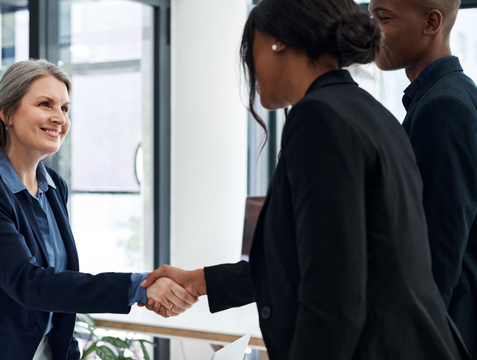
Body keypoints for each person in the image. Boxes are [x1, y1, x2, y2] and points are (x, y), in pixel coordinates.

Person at [141, 0, 471, 359]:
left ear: (277, 43)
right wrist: (199, 281)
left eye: (249, 50)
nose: (250, 69)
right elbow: (322, 257)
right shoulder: (370, 113)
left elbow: (331, 294)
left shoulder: (319, 119)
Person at [0, 60, 197, 360]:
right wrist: (137, 287)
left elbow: (57, 290)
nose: (58, 118)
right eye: (45, 104)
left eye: (64, 108)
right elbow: (29, 282)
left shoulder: (53, 188)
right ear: (6, 113)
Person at [368, 0, 477, 355]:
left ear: (431, 22)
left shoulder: (443, 106)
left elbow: (437, 256)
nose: (371, 31)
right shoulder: (449, 94)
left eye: (383, 19)